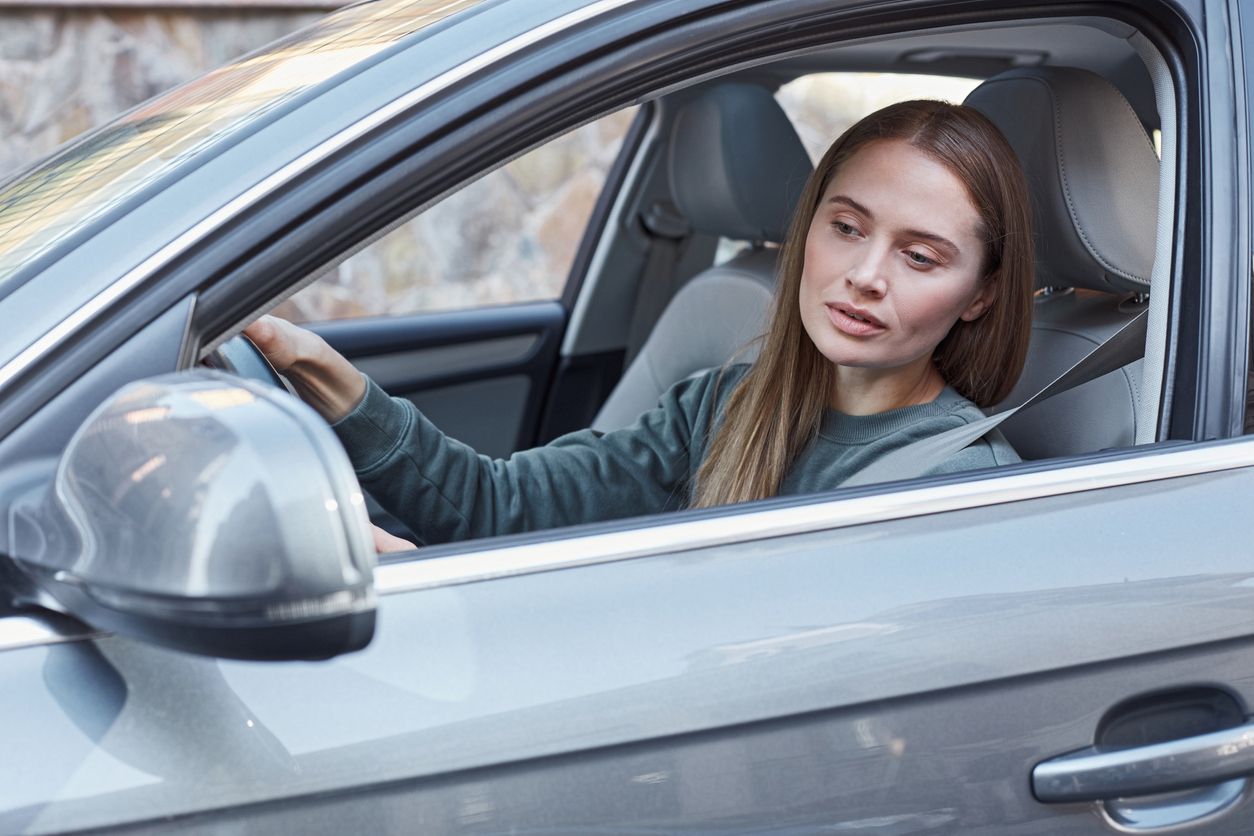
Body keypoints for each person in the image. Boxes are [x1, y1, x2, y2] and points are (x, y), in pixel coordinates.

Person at [245, 99, 1034, 552]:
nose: (865, 275)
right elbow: (499, 505)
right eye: (848, 228)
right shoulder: (723, 406)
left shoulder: (964, 488)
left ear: (981, 295)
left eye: (921, 257)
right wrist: (326, 377)